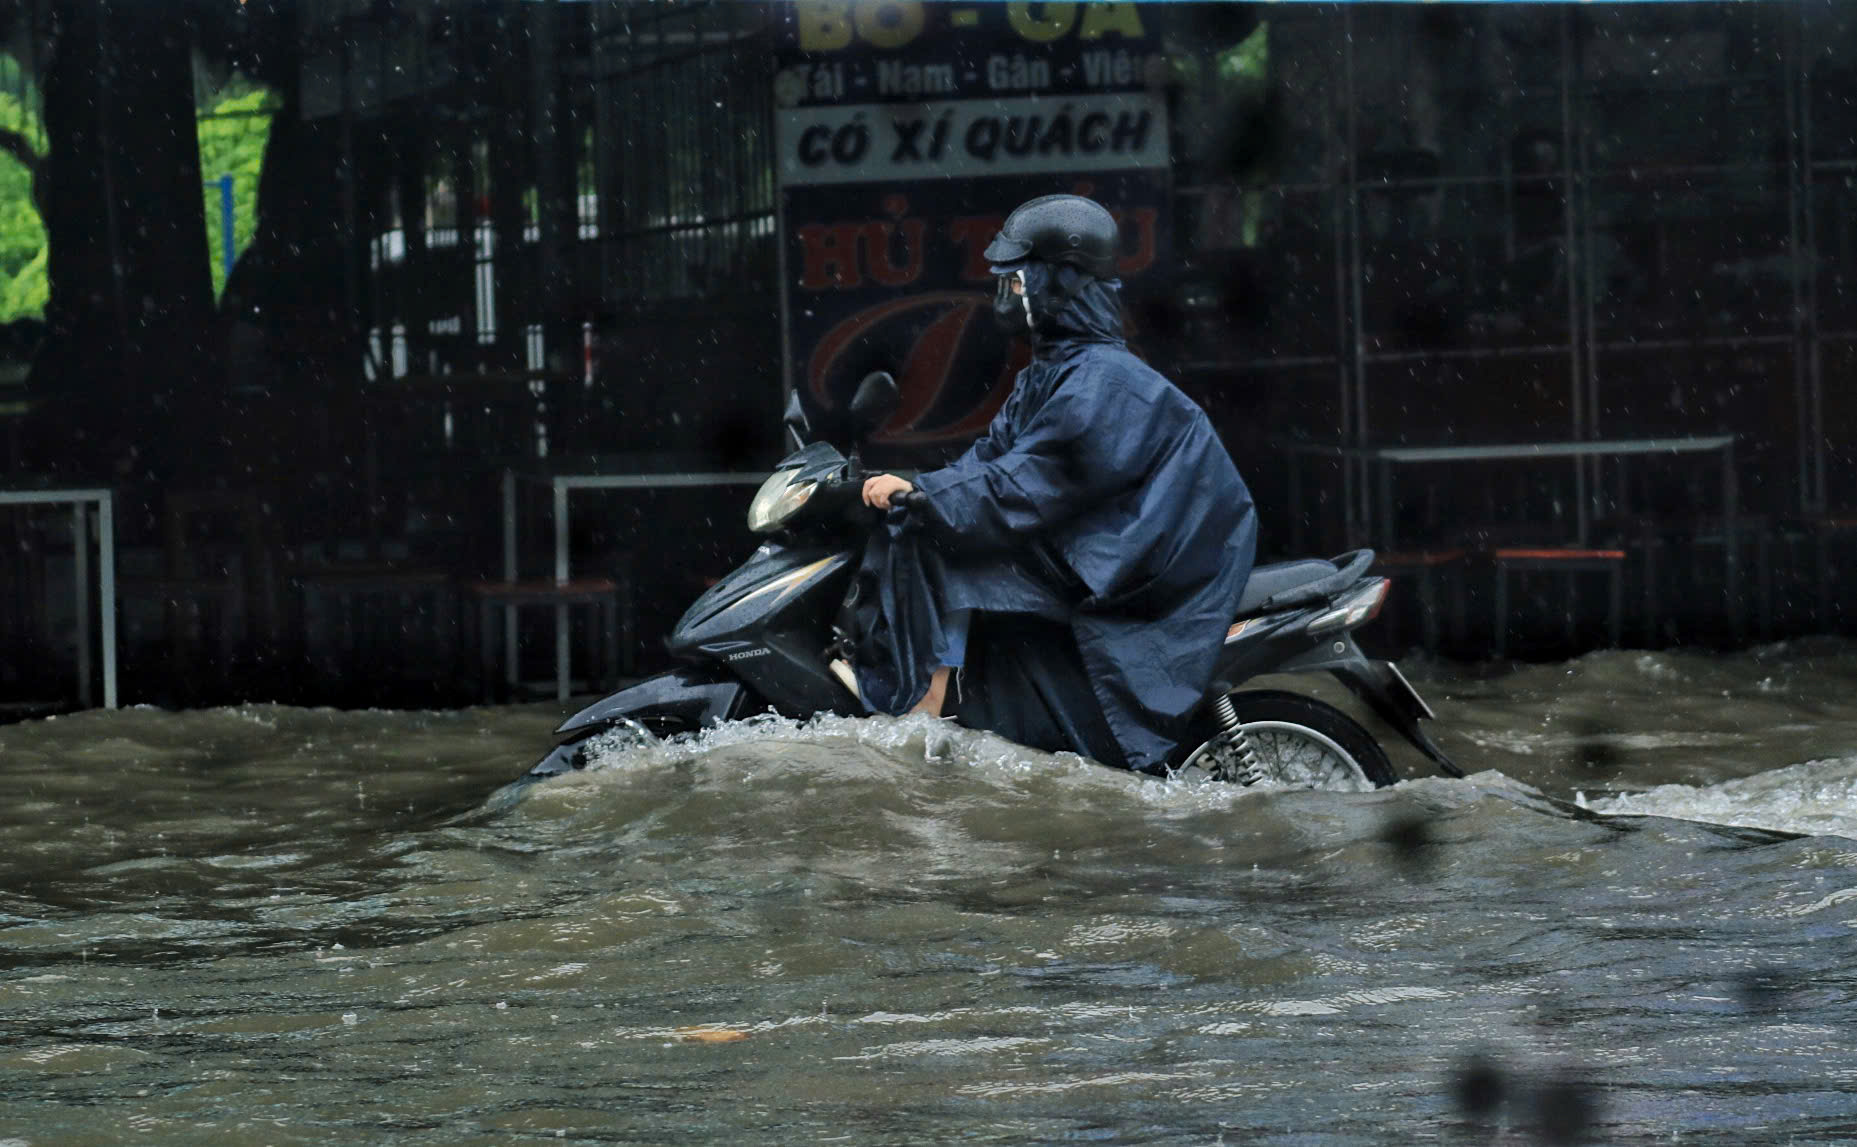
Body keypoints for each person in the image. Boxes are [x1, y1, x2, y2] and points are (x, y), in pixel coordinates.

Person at [845, 193, 1258, 772]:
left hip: (1137, 568)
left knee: (940, 557)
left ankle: (920, 726)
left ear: (1058, 283)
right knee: (923, 532)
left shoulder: (1102, 384)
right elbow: (990, 461)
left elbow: (1023, 487)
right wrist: (918, 488)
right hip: (1094, 547)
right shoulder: (1053, 375)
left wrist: (926, 500)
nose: (1005, 295)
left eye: (1015, 281)